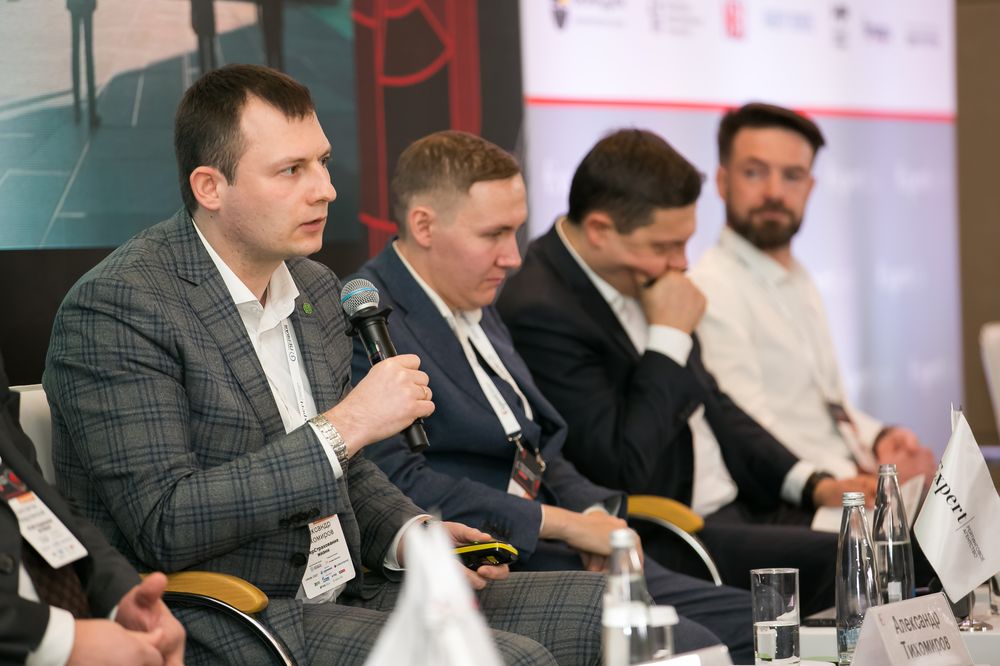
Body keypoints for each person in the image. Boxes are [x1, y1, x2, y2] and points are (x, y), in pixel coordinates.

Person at [43, 64, 605, 665]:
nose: (326, 189)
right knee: (511, 660)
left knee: (607, 607)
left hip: (351, 588)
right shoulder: (121, 306)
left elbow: (346, 471)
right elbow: (166, 522)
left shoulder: (313, 286)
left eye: (323, 162)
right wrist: (347, 425)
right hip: (231, 613)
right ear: (210, 187)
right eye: (292, 170)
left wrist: (412, 536)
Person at [350, 130, 755, 661]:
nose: (513, 257)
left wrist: (597, 519)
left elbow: (535, 450)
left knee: (759, 621)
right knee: (696, 645)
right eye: (494, 234)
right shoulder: (369, 323)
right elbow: (400, 483)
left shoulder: (473, 298)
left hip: (559, 544)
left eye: (516, 231)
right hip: (488, 560)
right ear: (424, 226)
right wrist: (563, 524)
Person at [496, 128, 870, 613]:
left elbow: (715, 406)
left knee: (890, 539)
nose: (681, 263)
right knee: (852, 559)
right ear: (600, 230)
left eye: (686, 242)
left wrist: (811, 483)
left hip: (741, 504)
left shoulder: (642, 274)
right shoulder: (541, 309)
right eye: (665, 246)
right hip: (675, 530)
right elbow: (623, 467)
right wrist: (669, 338)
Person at [690, 102, 937, 483]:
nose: (774, 192)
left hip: (844, 480)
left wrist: (878, 438)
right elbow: (751, 433)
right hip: (795, 496)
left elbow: (824, 406)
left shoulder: (797, 276)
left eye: (793, 176)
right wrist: (867, 476)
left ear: (810, 187)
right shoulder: (712, 287)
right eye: (754, 172)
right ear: (722, 182)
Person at [1, 351, 186, 665]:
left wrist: (119, 595)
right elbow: (165, 519)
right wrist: (59, 641)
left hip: (80, 612)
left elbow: (29, 490)